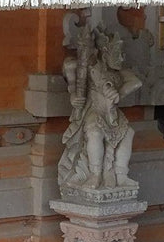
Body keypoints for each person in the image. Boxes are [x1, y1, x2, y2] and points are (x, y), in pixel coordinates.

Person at [59, 24, 142, 192]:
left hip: (112, 114)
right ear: (104, 53)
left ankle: (120, 174)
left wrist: (119, 92)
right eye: (116, 53)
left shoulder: (119, 73)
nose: (121, 57)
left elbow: (136, 82)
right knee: (95, 133)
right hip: (93, 110)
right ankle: (95, 174)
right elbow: (70, 72)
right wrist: (74, 96)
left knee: (128, 133)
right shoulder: (89, 67)